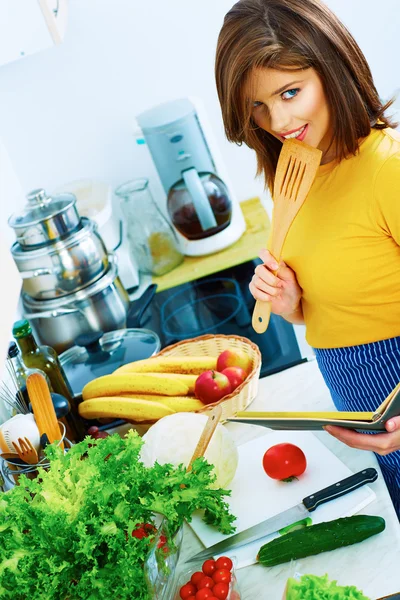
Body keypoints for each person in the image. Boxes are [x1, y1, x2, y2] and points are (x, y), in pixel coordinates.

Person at [215, 0, 400, 517]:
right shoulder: (292, 174)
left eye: (290, 92)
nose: (279, 120)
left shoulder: (388, 169)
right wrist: (294, 304)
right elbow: (338, 306)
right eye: (257, 106)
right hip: (364, 408)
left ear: (333, 69)